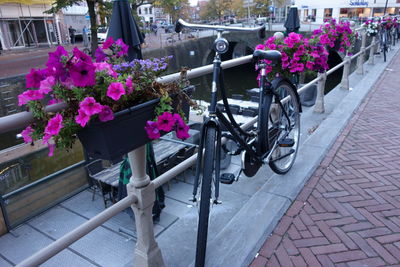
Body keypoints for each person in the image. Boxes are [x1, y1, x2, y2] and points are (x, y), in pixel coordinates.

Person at [118, 143, 165, 221]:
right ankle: (147, 215)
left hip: (142, 166)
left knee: (142, 193)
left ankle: (147, 216)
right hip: (143, 165)